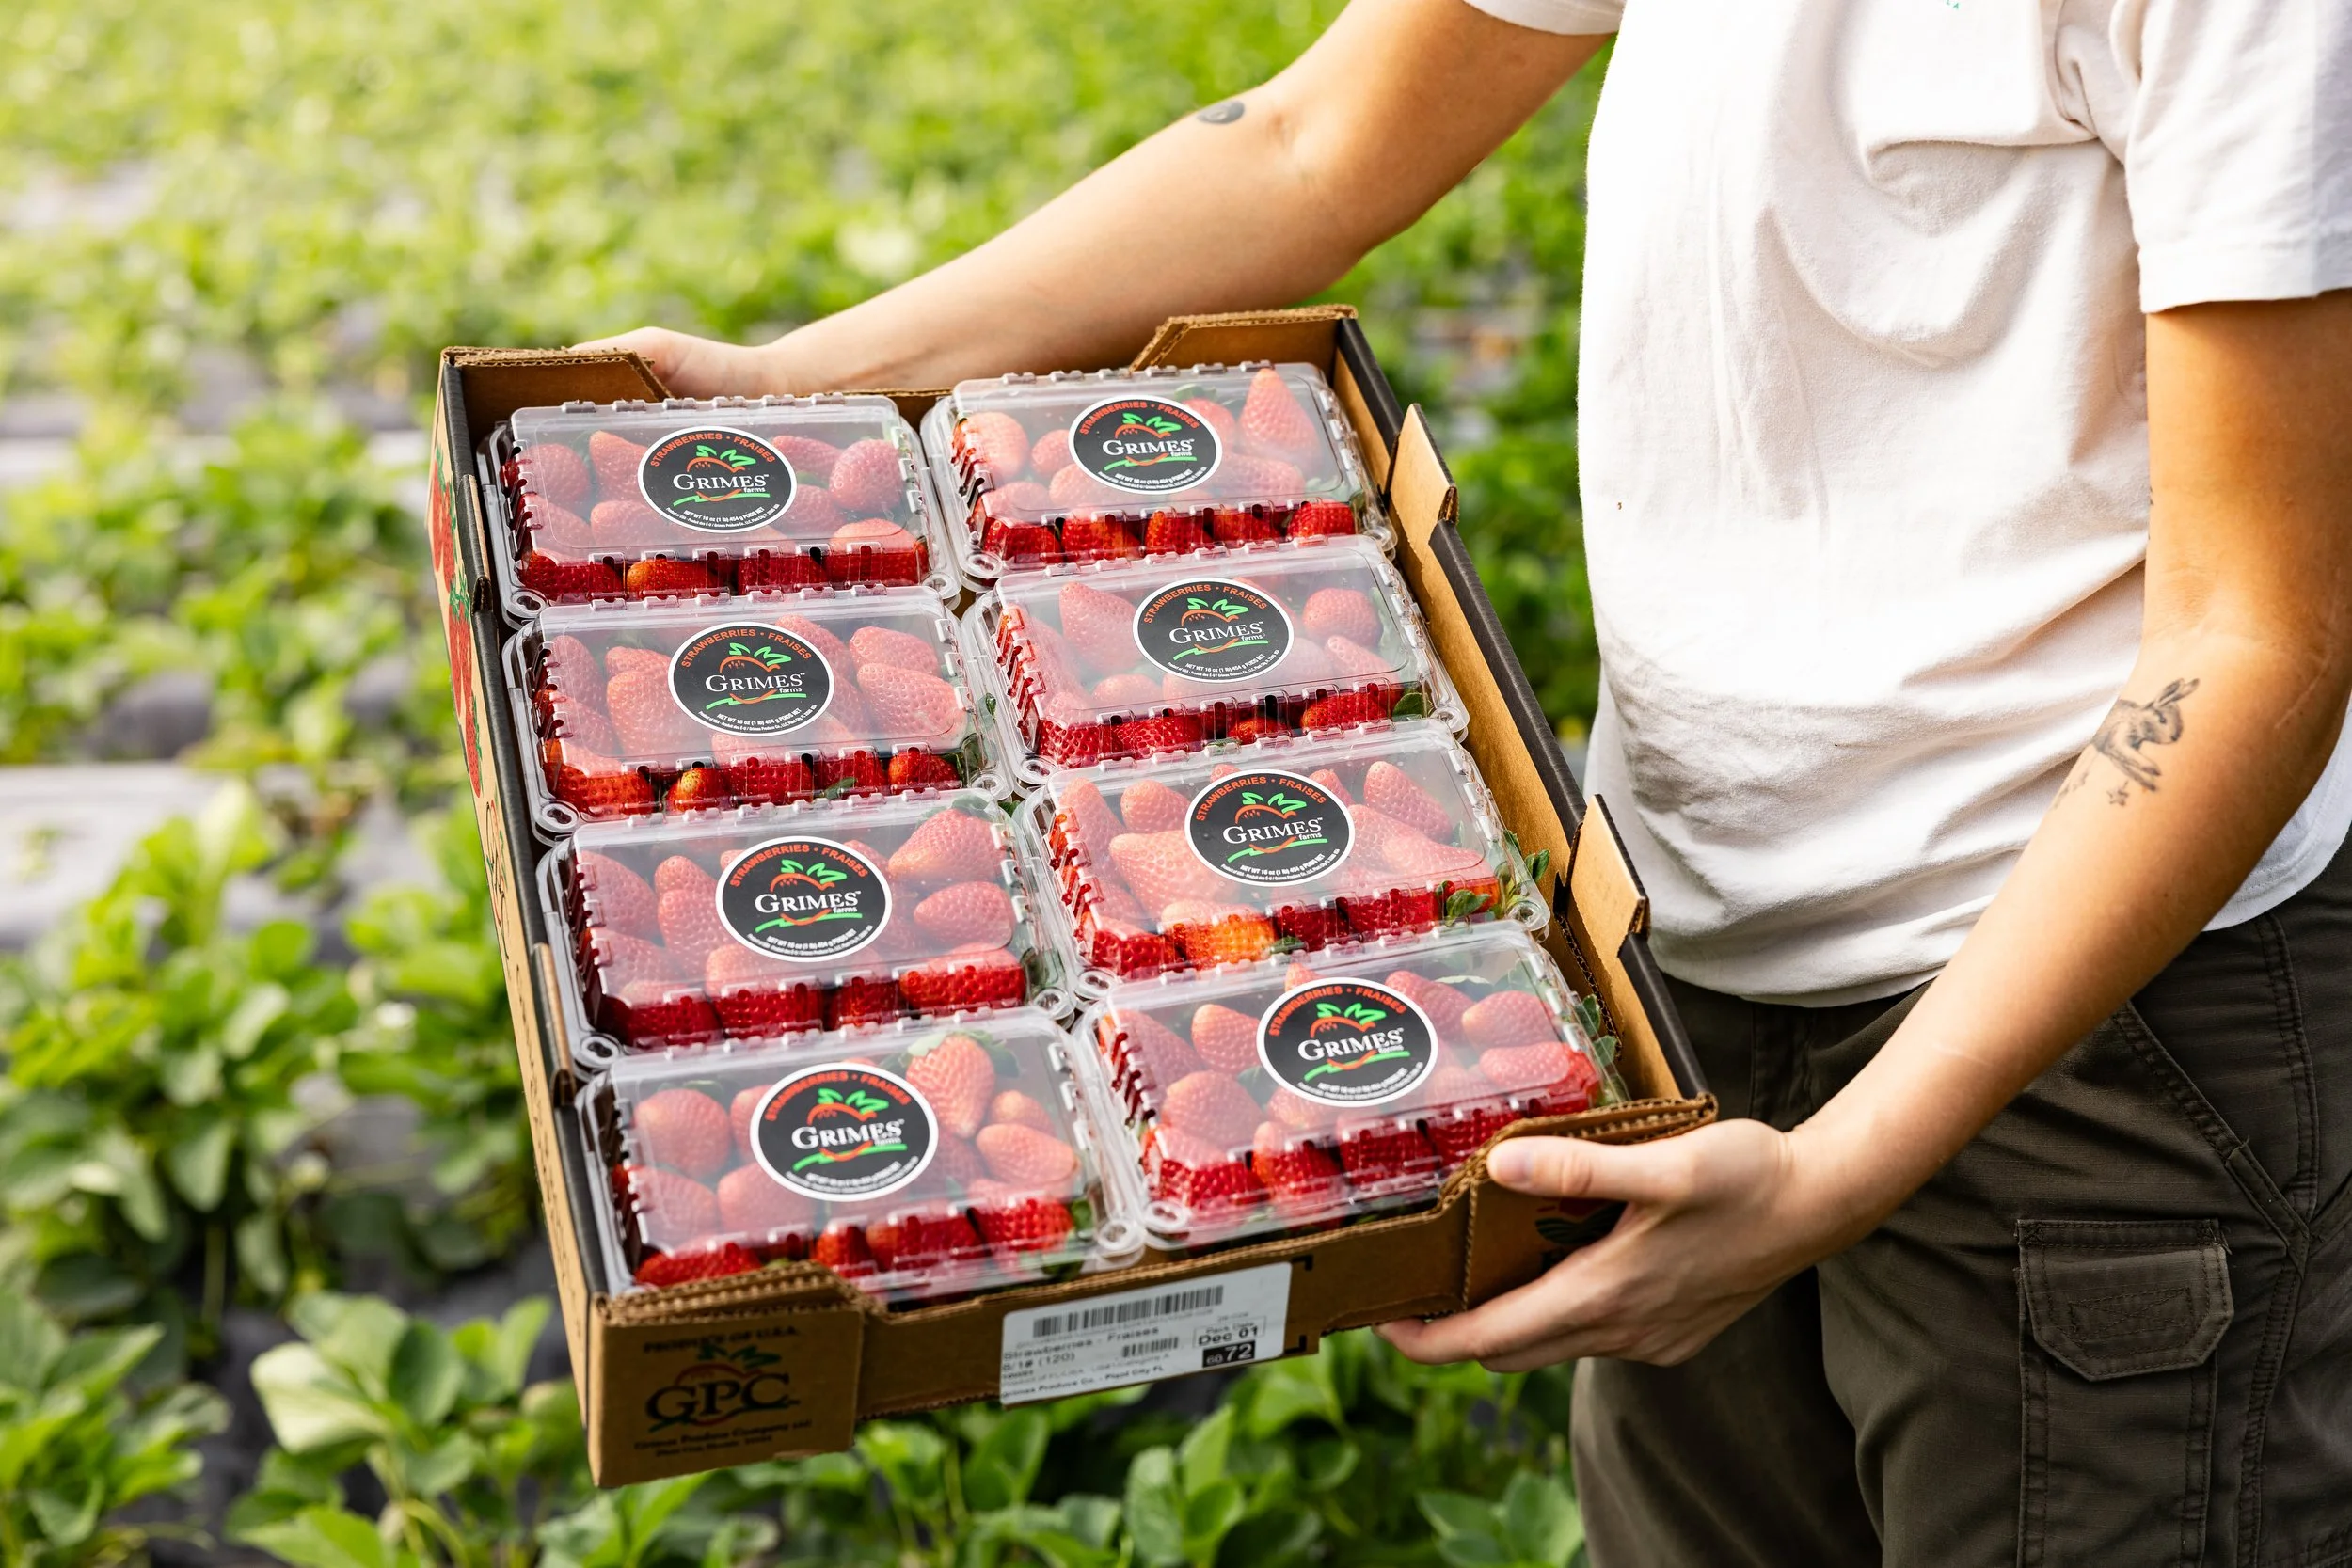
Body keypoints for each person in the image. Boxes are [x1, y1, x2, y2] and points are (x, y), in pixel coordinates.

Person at [581, 0, 2352, 1559]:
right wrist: (794, 393)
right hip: (1670, 970)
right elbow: (1313, 137)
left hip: (2104, 1035)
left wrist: (1838, 1170)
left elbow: (2256, 632)